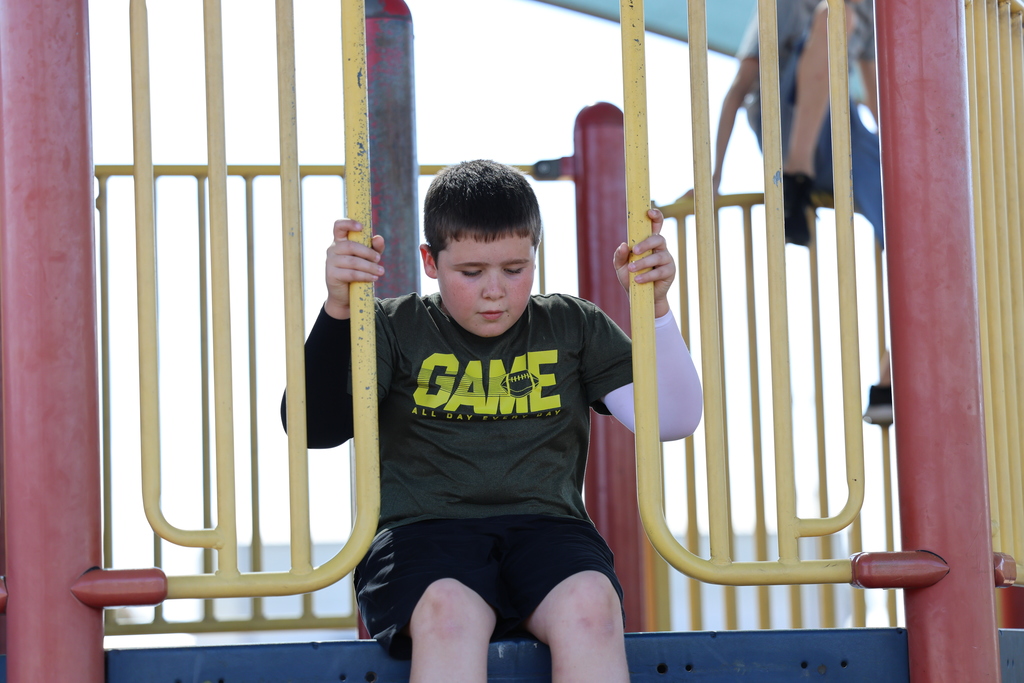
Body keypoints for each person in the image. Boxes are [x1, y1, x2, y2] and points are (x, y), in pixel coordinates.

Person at [283, 160, 704, 682]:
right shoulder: (395, 327)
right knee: (450, 615)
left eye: (514, 269)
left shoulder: (571, 325)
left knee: (591, 607)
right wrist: (338, 309)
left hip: (548, 530)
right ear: (431, 262)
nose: (494, 290)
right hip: (423, 533)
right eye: (471, 272)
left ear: (535, 257)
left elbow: (673, 419)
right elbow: (315, 428)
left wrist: (656, 307)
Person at [709, 0, 883, 249]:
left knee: (906, 183)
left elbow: (875, 96)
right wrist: (715, 177)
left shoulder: (868, 8)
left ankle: (918, 261)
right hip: (783, 124)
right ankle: (795, 178)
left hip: (836, 130)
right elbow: (739, 89)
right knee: (836, 15)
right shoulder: (787, 4)